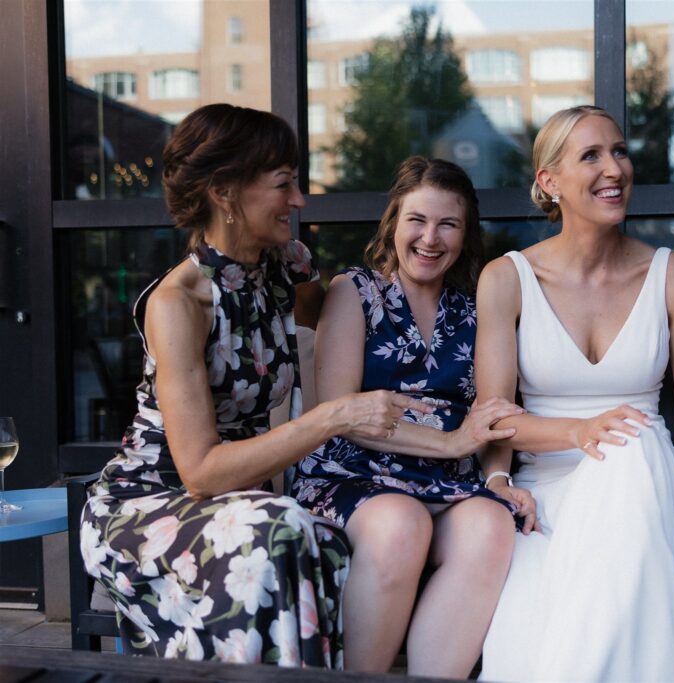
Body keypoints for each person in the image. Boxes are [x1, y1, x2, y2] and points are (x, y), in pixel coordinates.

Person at [79, 104, 427, 666]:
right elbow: (200, 472)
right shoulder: (178, 304)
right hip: (150, 504)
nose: (298, 200)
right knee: (284, 528)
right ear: (225, 192)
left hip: (245, 502)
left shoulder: (285, 264)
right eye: (284, 184)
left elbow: (344, 325)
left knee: (323, 537)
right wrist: (336, 416)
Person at [476, 105, 674, 682]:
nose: (614, 168)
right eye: (590, 155)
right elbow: (494, 415)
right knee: (530, 618)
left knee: (631, 448)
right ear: (549, 182)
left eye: (619, 151)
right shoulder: (507, 279)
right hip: (549, 490)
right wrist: (499, 482)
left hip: (650, 485)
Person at [291, 157, 529, 678]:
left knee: (492, 526)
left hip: (448, 481)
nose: (430, 238)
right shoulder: (354, 292)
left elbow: (495, 410)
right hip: (354, 473)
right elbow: (339, 413)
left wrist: (497, 476)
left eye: (448, 224)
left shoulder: (476, 309)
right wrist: (449, 443)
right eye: (417, 220)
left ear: (466, 236)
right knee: (401, 524)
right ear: (393, 223)